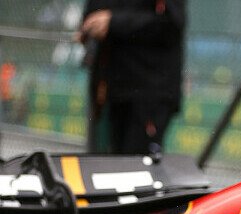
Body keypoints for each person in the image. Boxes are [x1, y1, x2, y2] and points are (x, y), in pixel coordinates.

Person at [78, 0, 186, 154]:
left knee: (137, 166)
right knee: (108, 166)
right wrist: (88, 24)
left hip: (148, 92)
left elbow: (171, 23)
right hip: (109, 90)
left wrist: (113, 21)